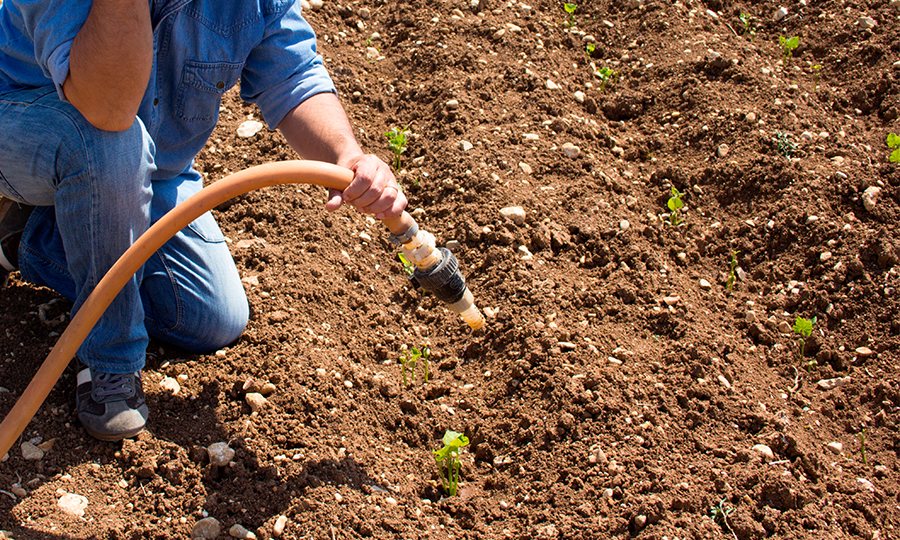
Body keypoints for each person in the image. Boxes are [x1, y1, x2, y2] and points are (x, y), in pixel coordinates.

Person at [0, 0, 407, 441]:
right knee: (111, 142)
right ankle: (109, 361)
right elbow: (108, 110)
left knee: (206, 315)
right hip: (26, 122)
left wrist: (346, 156)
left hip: (145, 169)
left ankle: (27, 235)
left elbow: (294, 75)